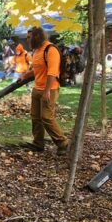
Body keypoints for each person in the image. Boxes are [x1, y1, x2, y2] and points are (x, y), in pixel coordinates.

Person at [23, 27, 69, 155]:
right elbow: (38, 70)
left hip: (49, 89)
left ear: (37, 37)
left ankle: (63, 143)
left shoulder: (51, 50)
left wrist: (47, 91)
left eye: (29, 37)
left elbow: (52, 72)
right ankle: (38, 144)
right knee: (35, 117)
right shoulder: (37, 51)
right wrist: (26, 75)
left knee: (47, 117)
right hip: (37, 88)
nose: (27, 40)